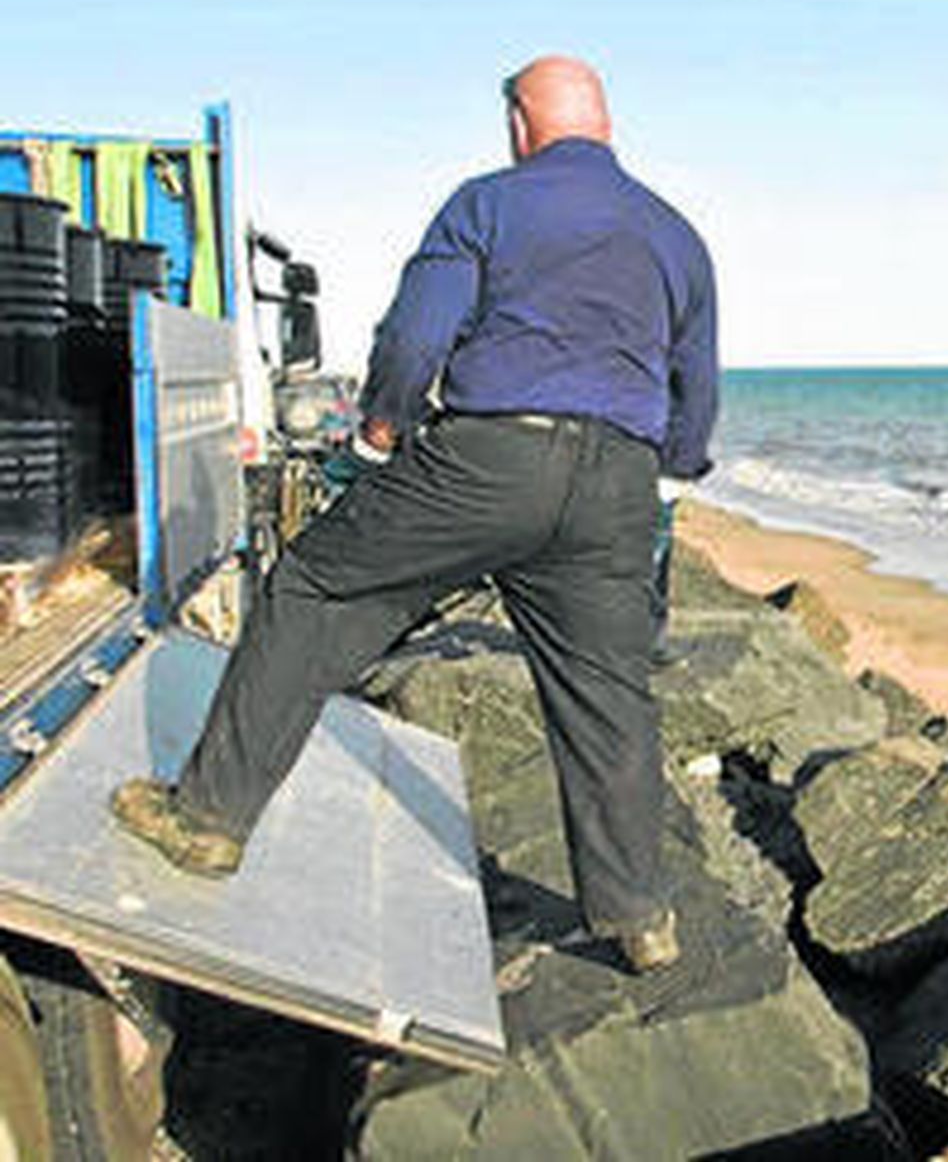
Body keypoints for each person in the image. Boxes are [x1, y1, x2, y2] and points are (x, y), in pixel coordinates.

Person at [111, 55, 719, 974]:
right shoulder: (676, 235)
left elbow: (417, 334)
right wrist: (668, 474)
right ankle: (639, 918)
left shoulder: (488, 203)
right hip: (615, 486)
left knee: (314, 588)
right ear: (605, 123)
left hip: (489, 459)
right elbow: (697, 380)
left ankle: (205, 822)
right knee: (607, 694)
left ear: (522, 122)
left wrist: (383, 426)